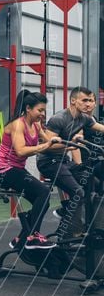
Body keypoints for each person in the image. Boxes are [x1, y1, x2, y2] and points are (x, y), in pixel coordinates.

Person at [0, 91, 60, 250]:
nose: (42, 114)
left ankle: (22, 238)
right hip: (4, 170)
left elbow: (50, 142)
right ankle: (32, 237)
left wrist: (70, 144)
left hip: (17, 169)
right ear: (28, 108)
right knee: (43, 192)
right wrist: (47, 145)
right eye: (40, 110)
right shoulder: (18, 124)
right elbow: (21, 151)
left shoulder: (36, 125)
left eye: (44, 110)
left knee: (43, 201)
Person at [38, 86, 104, 240]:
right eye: (84, 100)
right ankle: (68, 234)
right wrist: (71, 144)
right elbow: (48, 146)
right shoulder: (59, 118)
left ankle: (93, 227)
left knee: (92, 183)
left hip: (63, 161)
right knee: (78, 193)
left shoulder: (84, 118)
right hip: (48, 162)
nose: (88, 104)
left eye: (90, 101)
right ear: (73, 101)